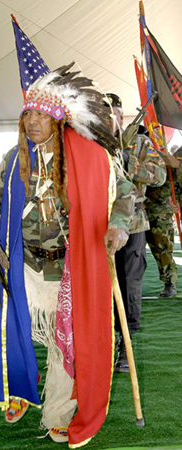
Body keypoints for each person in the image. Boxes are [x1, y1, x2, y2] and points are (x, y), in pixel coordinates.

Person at [0, 65, 136, 447]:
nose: (32, 122)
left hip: (70, 268)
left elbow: (125, 193)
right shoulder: (15, 159)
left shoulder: (90, 156)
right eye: (27, 115)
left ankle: (58, 413)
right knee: (10, 328)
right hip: (22, 265)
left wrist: (118, 227)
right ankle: (18, 388)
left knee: (63, 342)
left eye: (40, 115)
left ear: (58, 118)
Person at [106, 94, 166, 372]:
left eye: (113, 113)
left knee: (128, 283)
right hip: (93, 225)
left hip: (132, 224)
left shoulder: (138, 142)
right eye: (102, 112)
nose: (108, 118)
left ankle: (124, 343)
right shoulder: (88, 142)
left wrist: (127, 160)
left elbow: (159, 175)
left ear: (120, 116)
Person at [144, 148, 179, 298]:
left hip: (159, 212)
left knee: (163, 249)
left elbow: (174, 188)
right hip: (135, 208)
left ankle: (170, 283)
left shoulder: (170, 163)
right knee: (133, 252)